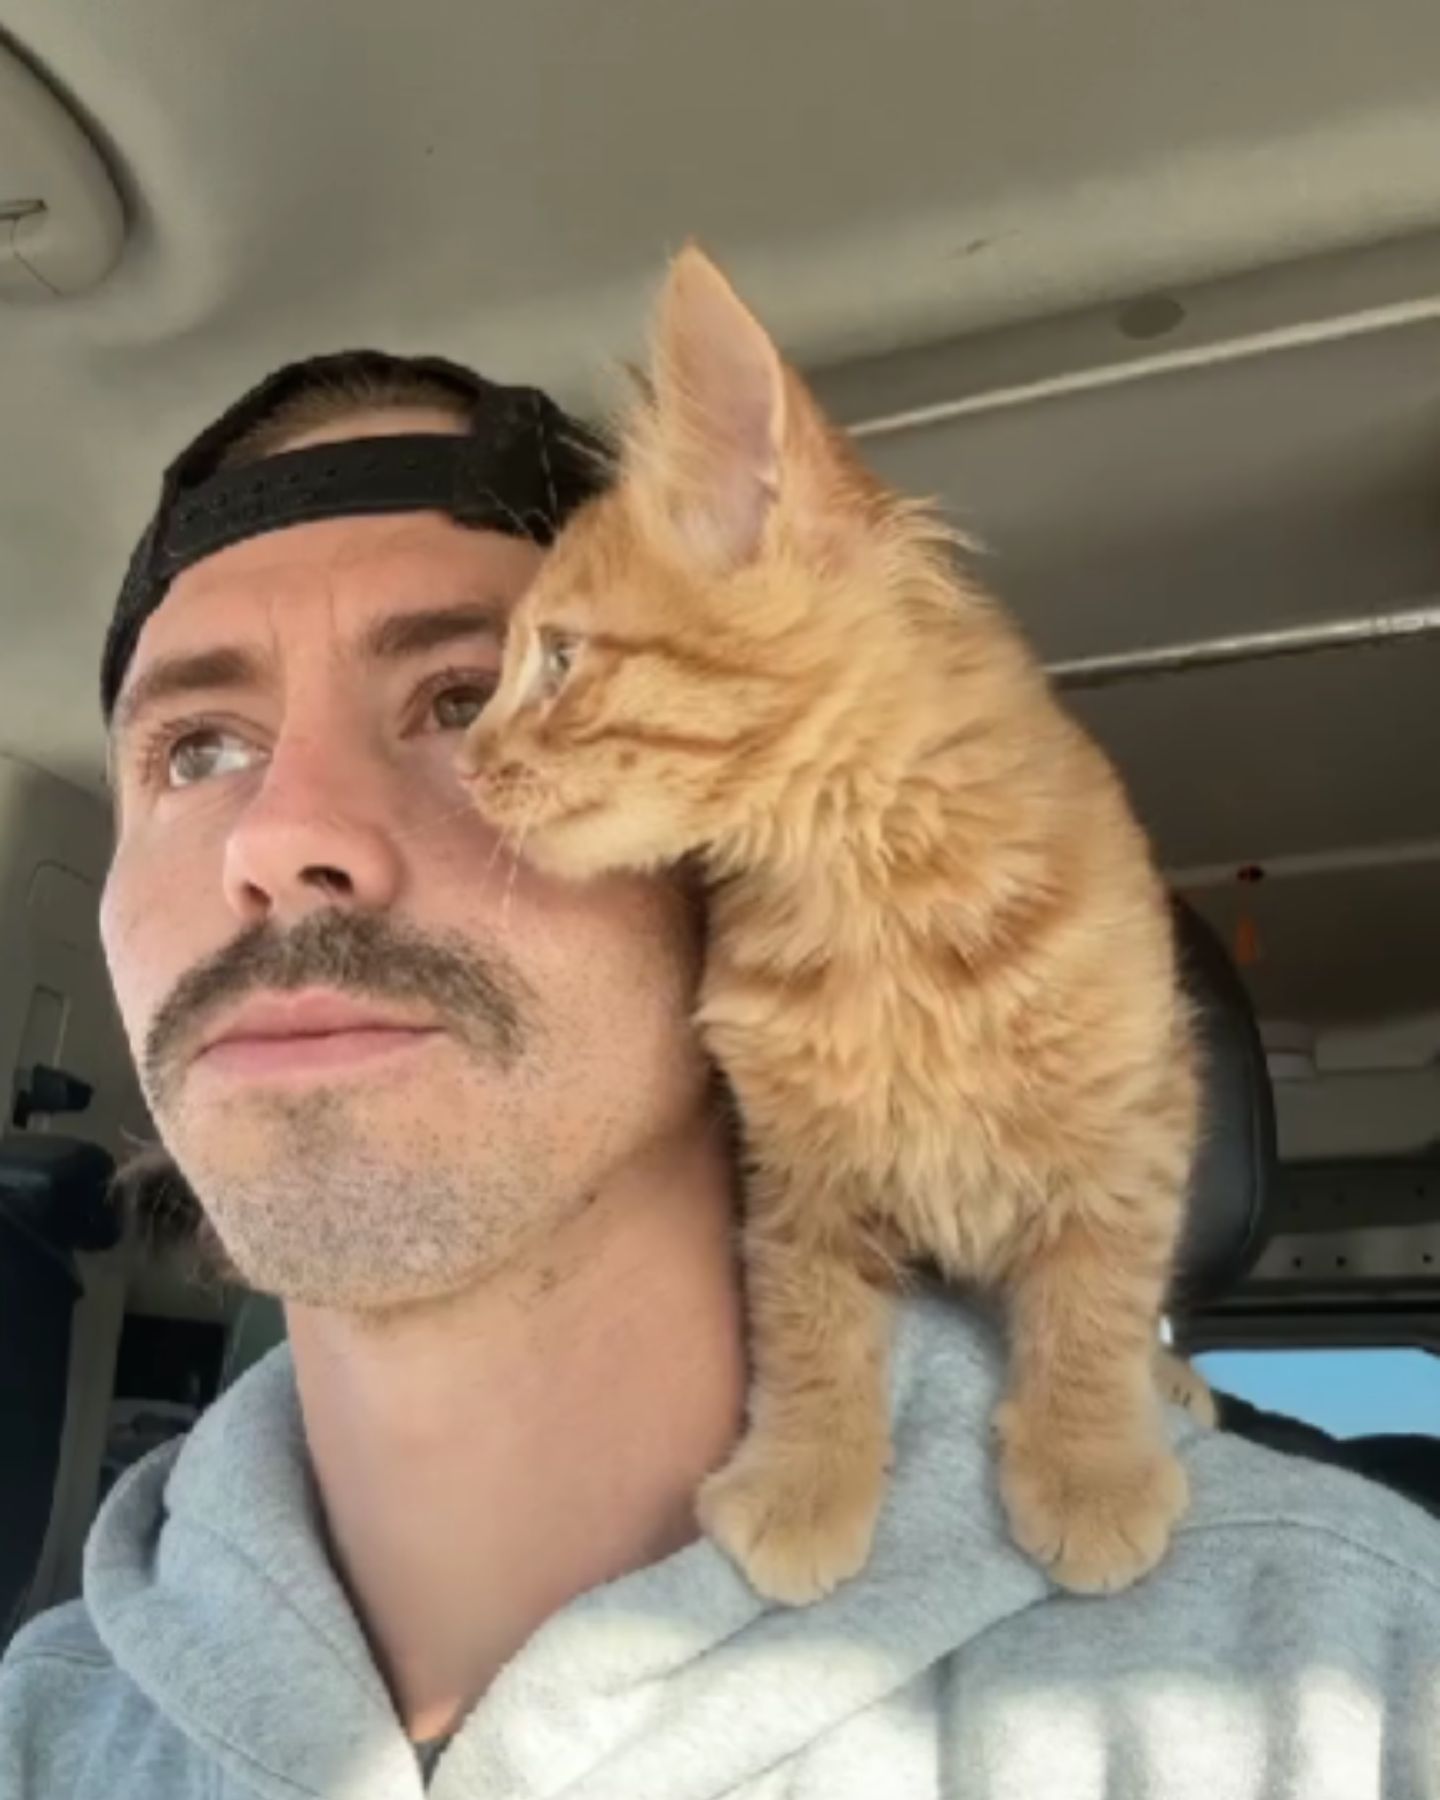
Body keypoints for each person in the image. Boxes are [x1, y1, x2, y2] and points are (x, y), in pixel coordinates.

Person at [1, 349, 1436, 1800]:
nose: (281, 836)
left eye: (465, 697)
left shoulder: (1343, 1685)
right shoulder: (40, 1734)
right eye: (198, 750)